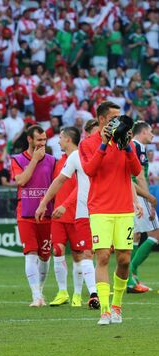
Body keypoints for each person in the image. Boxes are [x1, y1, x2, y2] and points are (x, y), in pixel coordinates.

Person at [79, 102, 142, 325]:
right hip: (100, 209)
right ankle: (105, 310)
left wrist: (126, 147)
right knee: (103, 256)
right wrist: (104, 145)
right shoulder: (88, 143)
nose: (120, 120)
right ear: (103, 120)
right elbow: (89, 170)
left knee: (124, 260)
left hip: (124, 208)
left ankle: (117, 306)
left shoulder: (127, 142)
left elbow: (136, 171)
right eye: (115, 117)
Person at [35, 127, 99, 309]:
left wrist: (66, 205)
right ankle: (62, 291)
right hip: (58, 214)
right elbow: (57, 185)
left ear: (69, 139)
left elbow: (82, 187)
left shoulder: (82, 158)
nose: (58, 141)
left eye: (61, 137)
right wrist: (47, 204)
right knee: (57, 250)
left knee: (80, 253)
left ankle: (78, 294)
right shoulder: (59, 162)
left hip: (75, 212)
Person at [12, 126, 55, 307]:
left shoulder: (53, 161)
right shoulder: (18, 159)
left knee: (45, 256)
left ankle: (40, 292)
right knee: (30, 252)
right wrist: (35, 161)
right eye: (39, 140)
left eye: (44, 140)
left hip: (47, 215)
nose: (42, 144)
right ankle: (35, 295)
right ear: (29, 139)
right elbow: (21, 181)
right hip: (26, 214)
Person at [127, 121, 157, 293]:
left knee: (135, 236)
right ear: (143, 132)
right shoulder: (137, 147)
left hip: (131, 195)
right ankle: (131, 274)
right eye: (150, 132)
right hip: (138, 195)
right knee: (155, 233)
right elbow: (139, 177)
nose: (152, 135)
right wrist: (149, 199)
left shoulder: (133, 146)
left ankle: (131, 278)